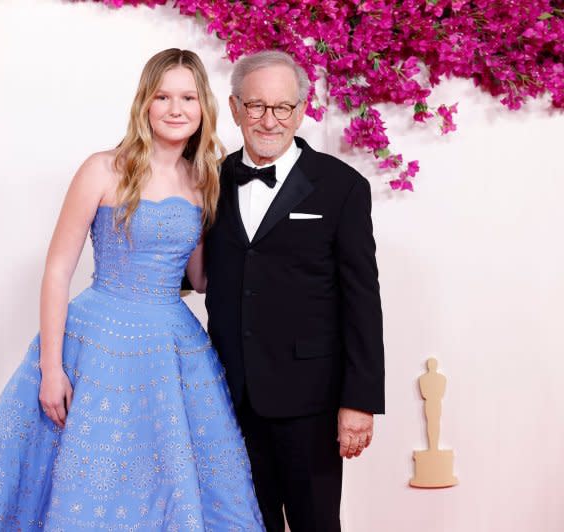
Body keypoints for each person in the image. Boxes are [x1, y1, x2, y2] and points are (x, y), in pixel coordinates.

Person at [0, 48, 265, 531]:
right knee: (94, 479)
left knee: (165, 481)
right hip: (98, 339)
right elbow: (57, 271)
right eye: (163, 96)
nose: (176, 109)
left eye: (188, 97)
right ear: (144, 104)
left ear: (204, 107)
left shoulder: (203, 178)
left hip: (170, 347)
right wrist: (51, 368)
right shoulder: (105, 168)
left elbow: (199, 278)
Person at [202, 51, 385, 532]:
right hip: (226, 393)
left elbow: (362, 300)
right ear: (235, 108)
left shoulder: (341, 186)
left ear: (302, 110)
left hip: (312, 400)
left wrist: (359, 400)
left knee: (315, 524)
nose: (269, 120)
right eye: (257, 106)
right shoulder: (208, 182)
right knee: (241, 523)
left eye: (282, 107)